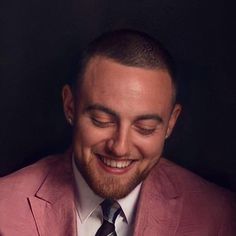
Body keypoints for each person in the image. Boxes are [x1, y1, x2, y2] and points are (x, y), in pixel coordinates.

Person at [0, 29, 235, 236]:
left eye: (145, 128)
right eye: (102, 121)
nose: (120, 147)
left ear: (171, 123)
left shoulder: (221, 217)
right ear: (70, 106)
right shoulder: (5, 208)